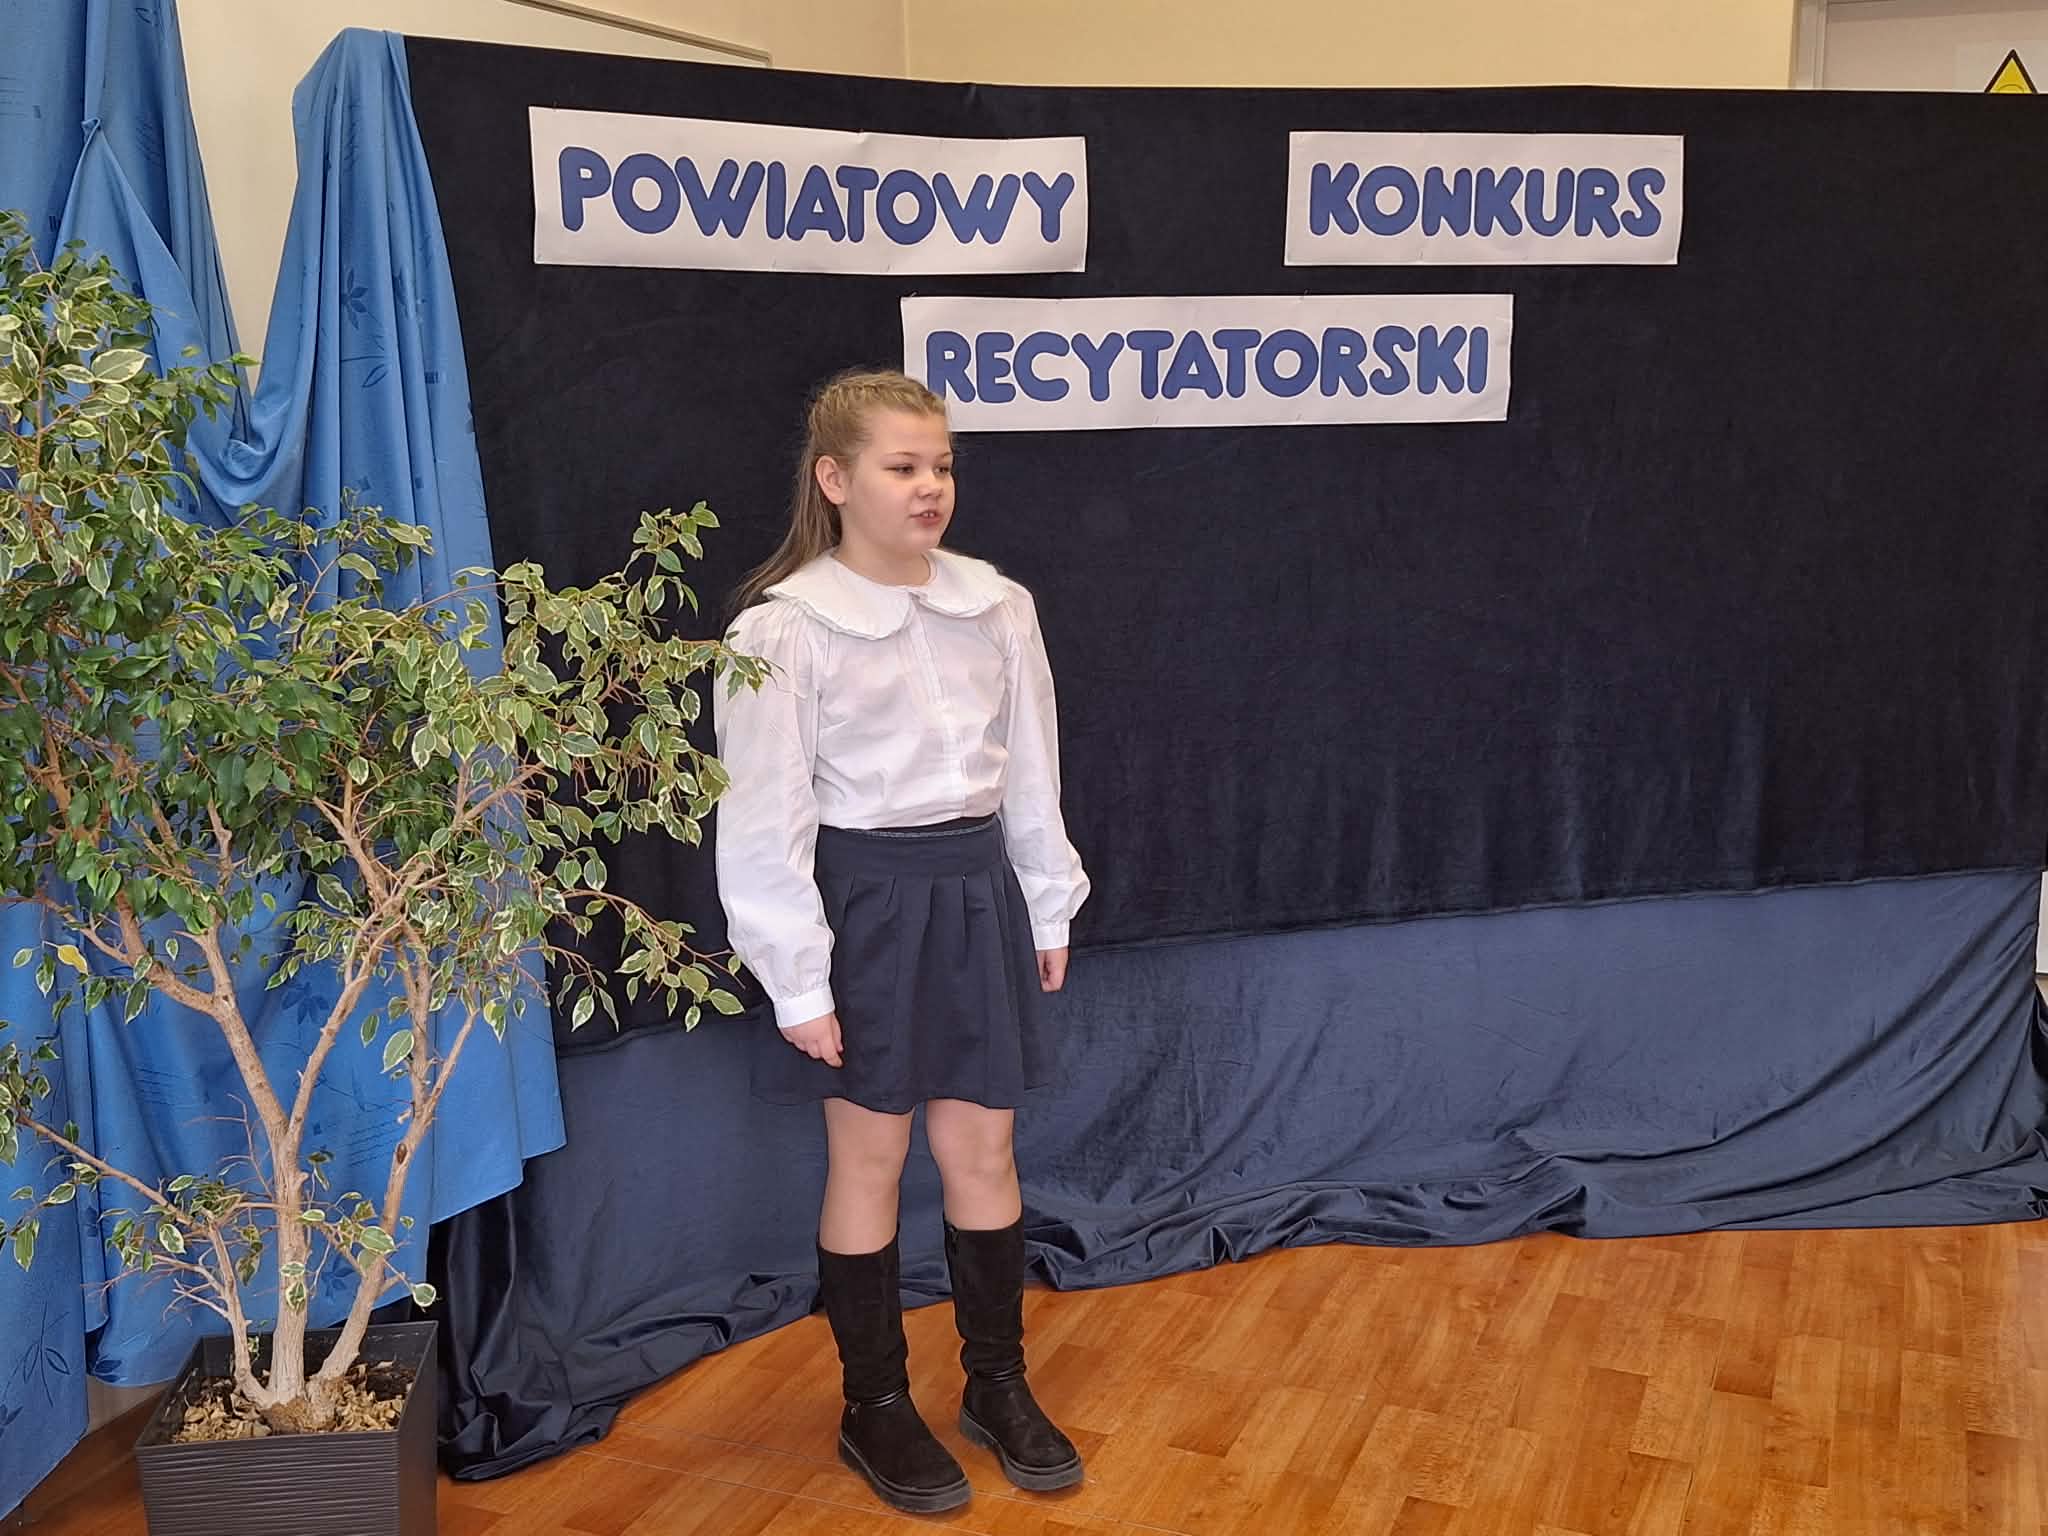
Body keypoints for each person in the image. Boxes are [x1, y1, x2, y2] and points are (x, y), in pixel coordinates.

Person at [713, 368, 1091, 1515]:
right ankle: (873, 1403)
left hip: (975, 892)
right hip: (865, 906)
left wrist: (1046, 899)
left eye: (942, 466)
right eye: (902, 467)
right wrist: (798, 980)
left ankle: (995, 1384)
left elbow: (1030, 767)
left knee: (982, 1149)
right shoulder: (784, 630)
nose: (930, 487)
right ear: (835, 480)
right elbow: (763, 818)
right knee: (869, 1156)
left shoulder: (996, 605)